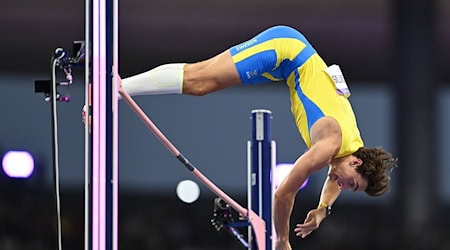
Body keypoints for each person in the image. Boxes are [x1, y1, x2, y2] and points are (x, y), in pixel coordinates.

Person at [96, 25, 398, 250]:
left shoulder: (351, 148)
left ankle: (116, 87)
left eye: (350, 189)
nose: (344, 186)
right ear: (357, 162)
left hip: (288, 65)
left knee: (202, 79)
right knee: (201, 81)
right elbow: (282, 194)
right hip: (286, 51)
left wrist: (323, 209)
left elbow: (336, 178)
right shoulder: (332, 142)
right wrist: (281, 240)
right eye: (352, 183)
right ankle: (116, 86)